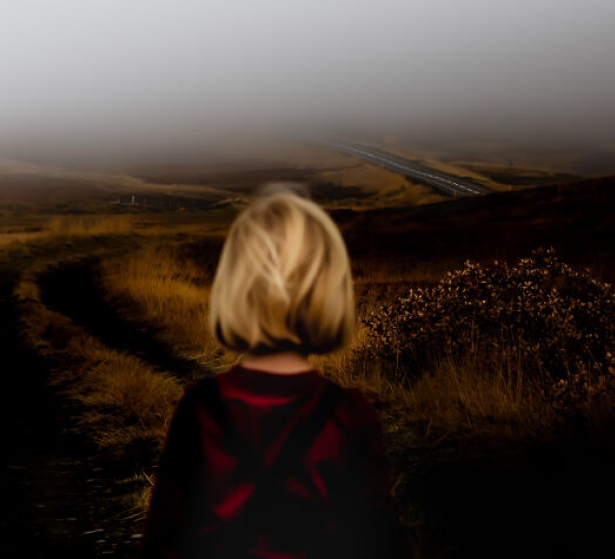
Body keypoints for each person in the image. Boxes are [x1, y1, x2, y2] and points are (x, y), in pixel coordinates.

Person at [138, 184, 412, 559]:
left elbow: (162, 544)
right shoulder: (350, 415)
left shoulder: (199, 409)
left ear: (235, 287)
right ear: (327, 290)